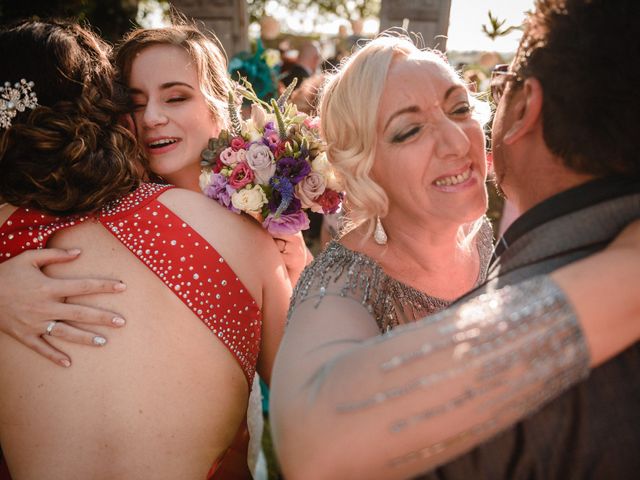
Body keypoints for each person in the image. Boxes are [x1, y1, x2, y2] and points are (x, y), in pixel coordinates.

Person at [269, 9, 640, 478]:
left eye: (460, 109)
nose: (455, 141)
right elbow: (311, 445)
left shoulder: (485, 234)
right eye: (409, 130)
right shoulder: (342, 281)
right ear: (363, 165)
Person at [0, 19, 292, 479]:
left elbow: (307, 390)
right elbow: (313, 401)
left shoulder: (264, 230)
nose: (153, 117)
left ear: (221, 105)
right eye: (134, 103)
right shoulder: (243, 241)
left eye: (176, 97)